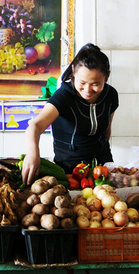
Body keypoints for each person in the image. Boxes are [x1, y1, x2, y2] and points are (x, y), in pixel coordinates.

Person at [21, 43, 118, 184]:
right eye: (82, 82)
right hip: (70, 172)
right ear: (73, 71)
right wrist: (32, 154)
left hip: (101, 169)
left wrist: (104, 161)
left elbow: (106, 130)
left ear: (106, 77)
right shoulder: (64, 96)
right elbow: (35, 126)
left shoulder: (111, 95)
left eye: (95, 84)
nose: (88, 89)